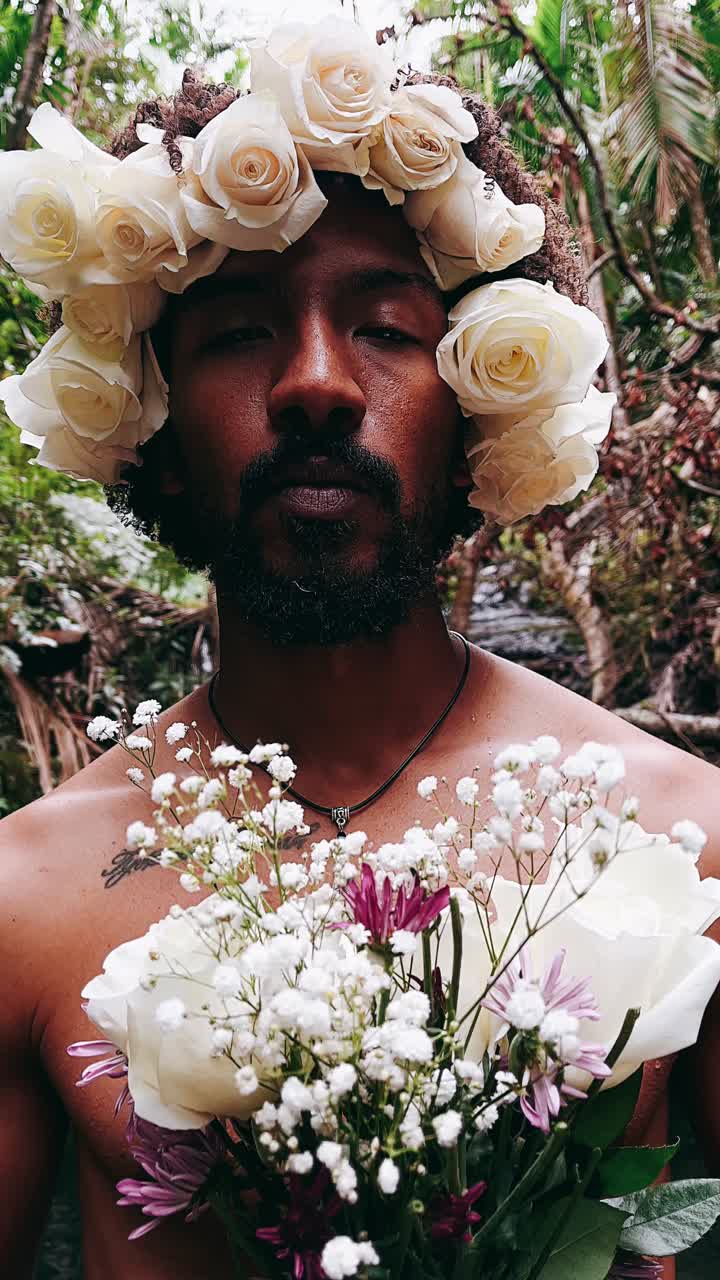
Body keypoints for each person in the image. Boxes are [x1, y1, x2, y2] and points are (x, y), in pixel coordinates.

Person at [0, 31, 718, 1280]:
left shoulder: (682, 841)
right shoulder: (29, 894)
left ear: (477, 405)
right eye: (237, 333)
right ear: (152, 433)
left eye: (385, 327)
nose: (317, 383)